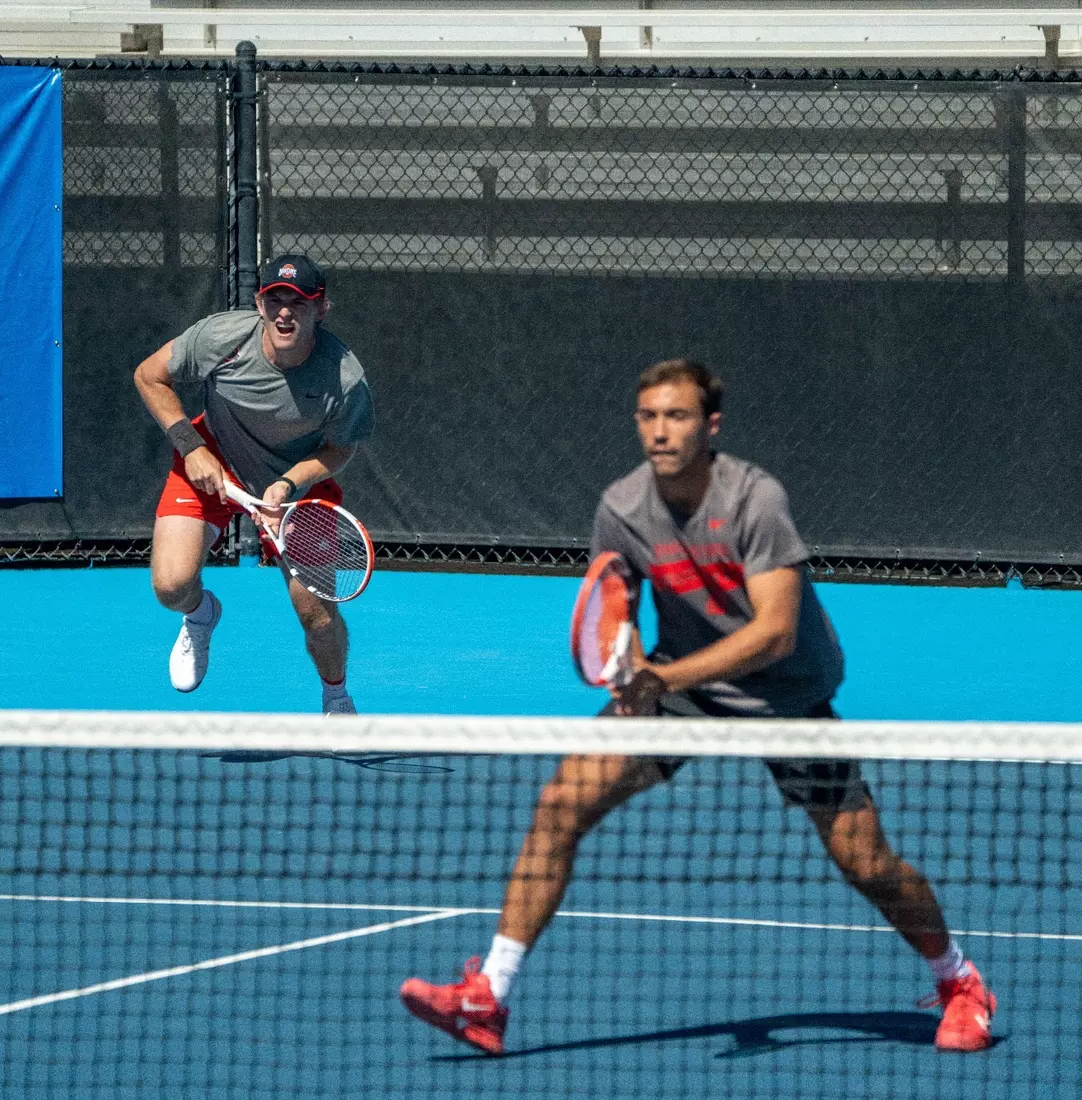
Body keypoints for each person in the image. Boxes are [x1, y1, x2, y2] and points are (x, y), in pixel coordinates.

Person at [399, 358, 996, 1054]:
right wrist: (627, 665)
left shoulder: (753, 500)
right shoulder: (622, 507)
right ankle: (488, 997)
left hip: (789, 698)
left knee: (867, 864)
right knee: (562, 803)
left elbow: (774, 633)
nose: (660, 431)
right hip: (684, 693)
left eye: (677, 416)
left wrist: (663, 674)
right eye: (648, 417)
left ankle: (959, 981)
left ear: (710, 426)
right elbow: (614, 605)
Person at [132, 254, 375, 712]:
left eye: (299, 302)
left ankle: (336, 698)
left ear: (320, 310)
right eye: (275, 299)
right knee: (170, 586)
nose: (286, 311)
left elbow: (341, 448)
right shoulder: (222, 337)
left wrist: (288, 485)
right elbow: (149, 375)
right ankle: (200, 614)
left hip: (294, 483)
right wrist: (192, 447)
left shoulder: (343, 377)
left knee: (317, 615)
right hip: (209, 458)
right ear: (260, 305)